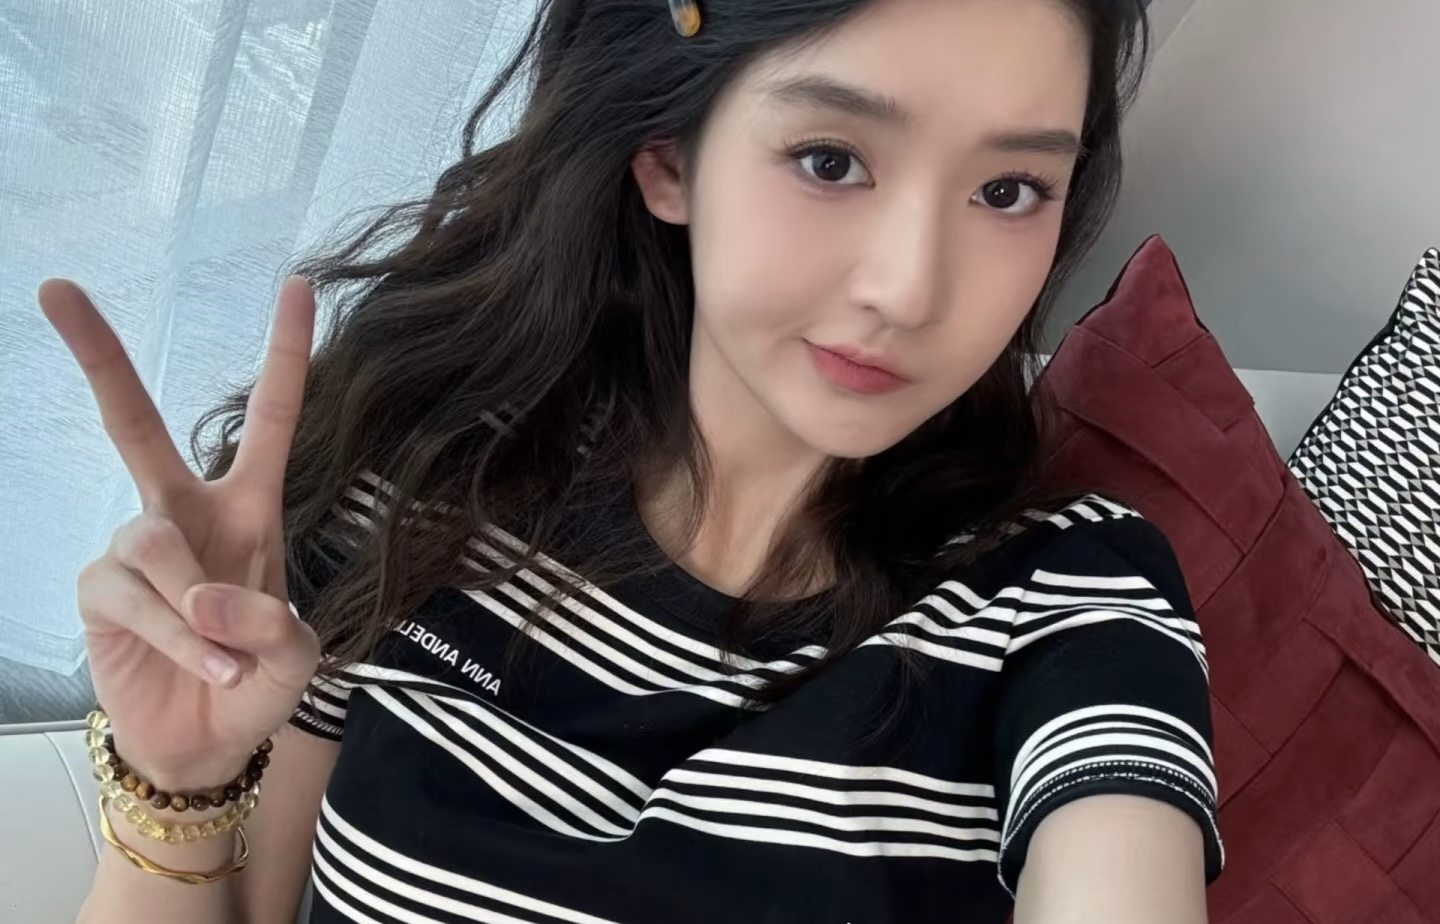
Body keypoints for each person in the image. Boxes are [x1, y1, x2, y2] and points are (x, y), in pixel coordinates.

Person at [40, 0, 1223, 921]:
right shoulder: (429, 481)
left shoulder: (1068, 600)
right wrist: (178, 782)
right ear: (669, 159)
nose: (912, 289)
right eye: (830, 160)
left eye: (1009, 190)